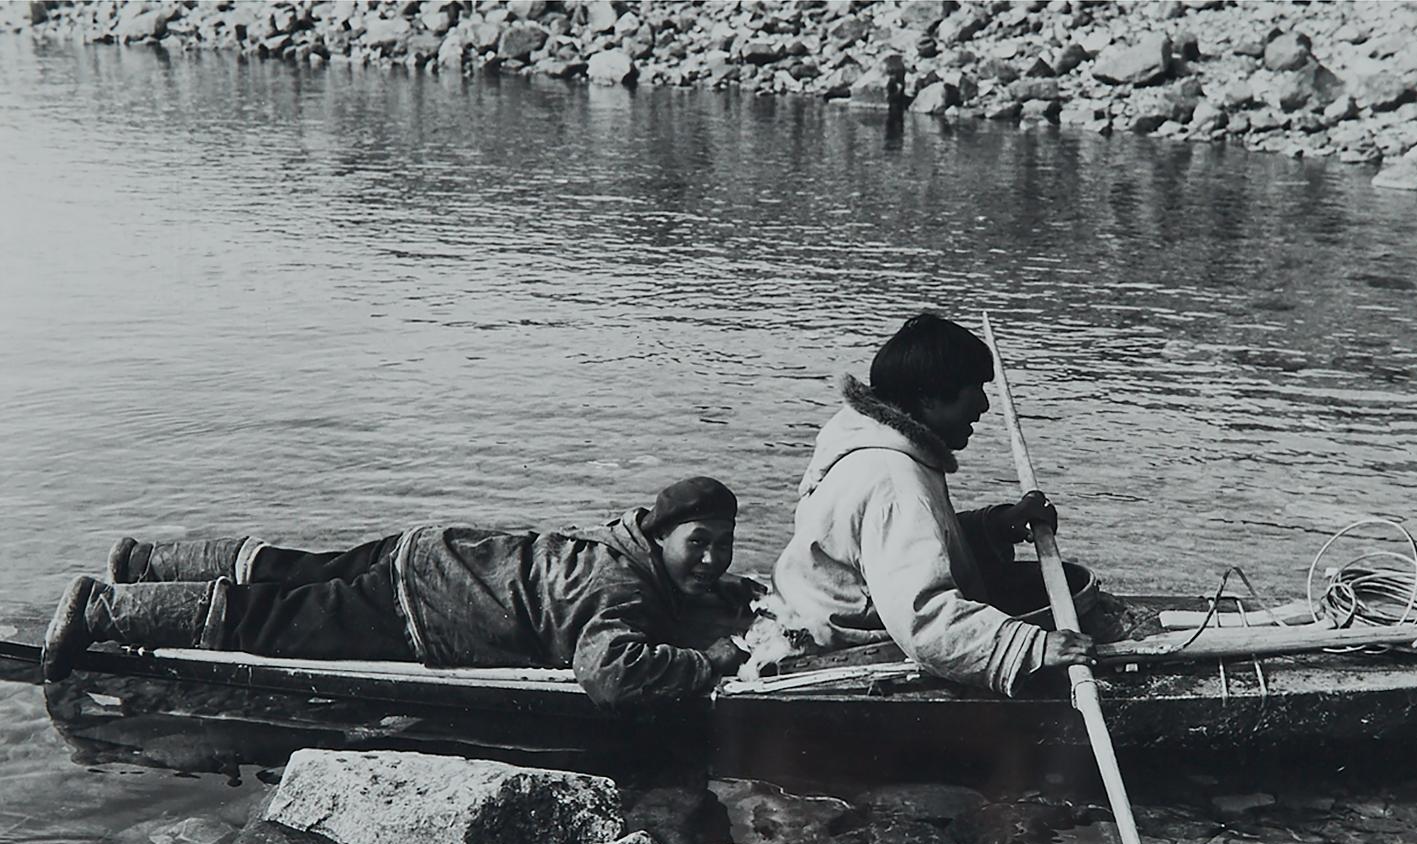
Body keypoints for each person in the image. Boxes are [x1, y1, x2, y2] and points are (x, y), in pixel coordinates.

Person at [42, 477, 757, 709]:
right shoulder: (622, 590)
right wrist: (707, 663)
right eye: (699, 543)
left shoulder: (621, 546)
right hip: (428, 608)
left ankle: (144, 561)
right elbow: (606, 672)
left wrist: (721, 590)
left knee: (288, 569)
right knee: (269, 617)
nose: (712, 557)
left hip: (432, 551)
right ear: (660, 537)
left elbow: (657, 595)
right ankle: (102, 608)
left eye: (721, 544)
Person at [761, 312, 1094, 695]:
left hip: (809, 616)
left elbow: (892, 549)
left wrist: (996, 526)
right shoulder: (894, 482)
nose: (984, 407)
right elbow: (922, 619)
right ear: (929, 398)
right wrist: (1031, 648)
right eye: (975, 390)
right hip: (833, 650)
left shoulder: (866, 438)